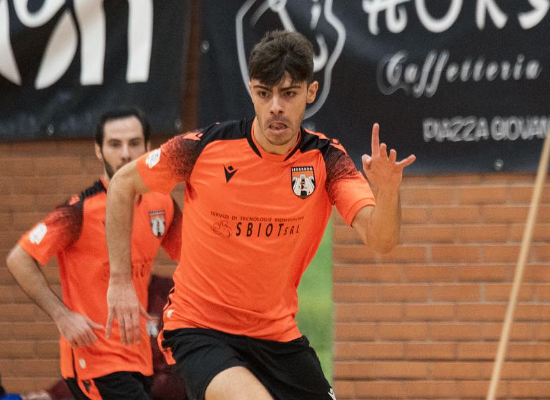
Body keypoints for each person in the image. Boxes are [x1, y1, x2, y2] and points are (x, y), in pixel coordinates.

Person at [104, 30, 416, 400]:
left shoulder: (326, 160)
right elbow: (122, 184)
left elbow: (381, 240)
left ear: (311, 92)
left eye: (289, 93)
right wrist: (120, 282)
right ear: (251, 91)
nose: (275, 107)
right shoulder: (203, 149)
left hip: (275, 336)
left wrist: (388, 191)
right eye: (264, 94)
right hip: (199, 328)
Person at [6, 108, 183, 400]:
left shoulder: (161, 203)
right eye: (115, 144)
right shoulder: (79, 211)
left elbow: (192, 258)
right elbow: (19, 258)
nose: (125, 154)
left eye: (134, 143)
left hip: (139, 357)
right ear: (99, 150)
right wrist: (62, 316)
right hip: (94, 359)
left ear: (148, 147)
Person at [20, 275, 187, 400]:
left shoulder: (169, 292)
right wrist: (52, 394)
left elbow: (180, 373)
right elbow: (96, 365)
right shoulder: (103, 301)